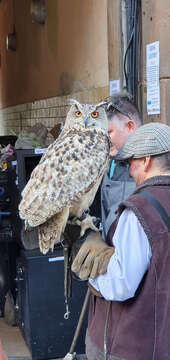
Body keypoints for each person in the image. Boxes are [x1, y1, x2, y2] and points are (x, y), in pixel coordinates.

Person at [72, 122, 170, 360]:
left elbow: (120, 284)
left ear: (145, 160)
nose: (129, 171)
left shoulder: (139, 210)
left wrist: (93, 271)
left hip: (134, 346)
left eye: (130, 163)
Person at [90, 91, 142, 239]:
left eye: (109, 132)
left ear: (130, 126)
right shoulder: (111, 163)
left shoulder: (156, 164)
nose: (104, 141)